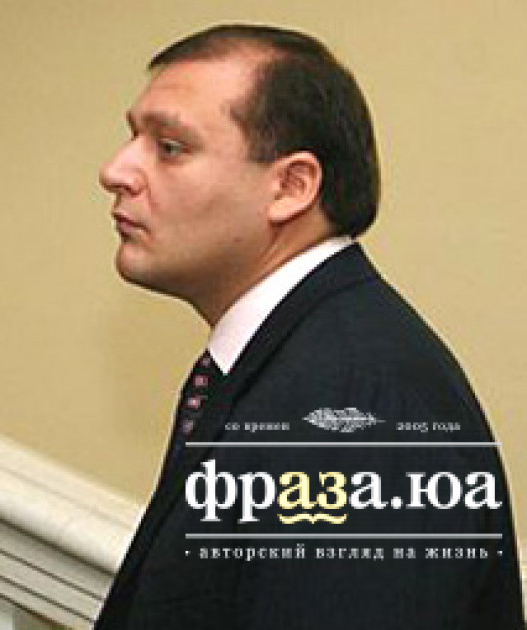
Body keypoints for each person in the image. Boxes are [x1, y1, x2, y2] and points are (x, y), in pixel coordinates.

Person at [94, 24, 523, 629]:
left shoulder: (358, 409)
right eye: (132, 137)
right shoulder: (303, 357)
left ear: (291, 187)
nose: (116, 170)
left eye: (170, 147)